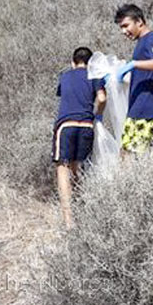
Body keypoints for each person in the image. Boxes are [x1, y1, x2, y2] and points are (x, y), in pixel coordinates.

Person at [53, 46, 107, 228]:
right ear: (91, 63)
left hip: (66, 125)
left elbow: (63, 94)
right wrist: (98, 115)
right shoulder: (95, 75)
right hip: (86, 125)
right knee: (78, 168)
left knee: (63, 168)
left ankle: (69, 221)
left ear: (73, 62)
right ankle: (82, 210)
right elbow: (102, 98)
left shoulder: (65, 76)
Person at [113, 4, 153, 155]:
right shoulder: (141, 42)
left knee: (131, 156)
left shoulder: (152, 38)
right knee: (132, 155)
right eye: (121, 28)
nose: (123, 31)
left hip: (146, 109)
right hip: (140, 108)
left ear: (139, 21)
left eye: (126, 25)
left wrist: (134, 64)